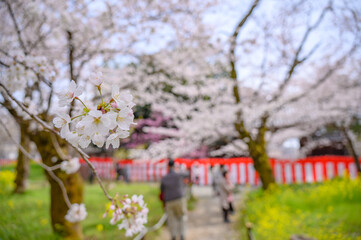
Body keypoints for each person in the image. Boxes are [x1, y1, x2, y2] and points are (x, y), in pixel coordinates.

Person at [160, 159, 187, 240]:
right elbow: (186, 174)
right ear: (174, 166)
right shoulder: (178, 175)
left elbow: (162, 190)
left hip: (169, 200)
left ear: (168, 166)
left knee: (171, 219)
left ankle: (173, 235)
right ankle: (182, 234)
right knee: (181, 217)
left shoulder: (164, 178)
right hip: (179, 199)